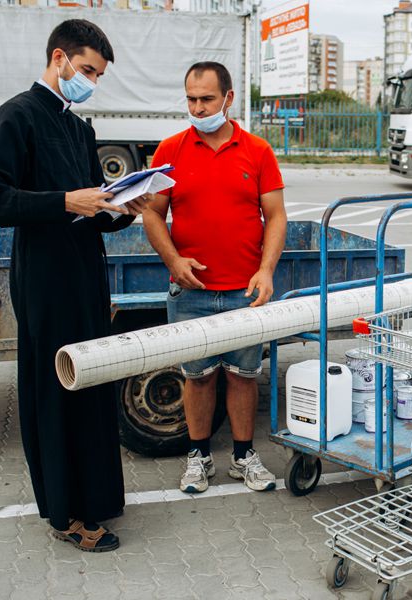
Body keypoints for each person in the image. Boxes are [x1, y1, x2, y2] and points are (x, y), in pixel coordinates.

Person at [0, 19, 146, 552]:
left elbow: (92, 210)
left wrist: (124, 208)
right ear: (60, 59)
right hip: (46, 279)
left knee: (92, 387)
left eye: (98, 74)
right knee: (56, 390)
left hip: (84, 275)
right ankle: (65, 513)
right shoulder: (17, 116)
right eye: (88, 70)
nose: (91, 80)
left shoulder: (79, 128)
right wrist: (63, 202)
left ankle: (96, 499)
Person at [143, 61, 287, 494]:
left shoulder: (257, 150)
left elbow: (276, 216)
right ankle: (198, 456)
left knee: (244, 376)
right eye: (191, 99)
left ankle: (243, 457)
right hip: (192, 291)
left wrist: (265, 270)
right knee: (198, 376)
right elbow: (152, 213)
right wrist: (174, 261)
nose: (198, 107)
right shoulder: (170, 150)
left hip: (245, 290)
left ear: (229, 98)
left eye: (206, 99)